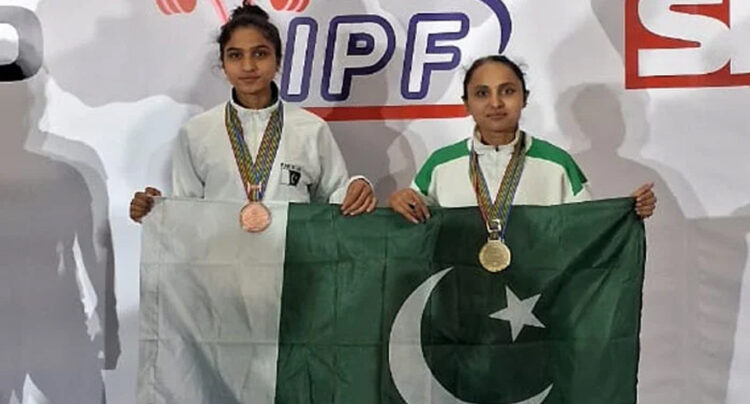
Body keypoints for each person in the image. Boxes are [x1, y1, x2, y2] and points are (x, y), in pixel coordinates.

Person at [130, 2, 376, 222]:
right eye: (235, 55)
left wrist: (357, 187)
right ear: (223, 65)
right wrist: (155, 210)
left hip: (293, 264)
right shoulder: (196, 133)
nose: (248, 66)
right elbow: (186, 214)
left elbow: (334, 202)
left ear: (277, 61)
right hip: (220, 265)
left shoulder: (311, 129)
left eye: (260, 53)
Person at [389, 55, 656, 224]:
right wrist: (400, 201)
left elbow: (586, 228)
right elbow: (413, 219)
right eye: (482, 93)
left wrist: (625, 213)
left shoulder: (556, 163)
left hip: (535, 304)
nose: (495, 103)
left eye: (507, 91)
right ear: (466, 104)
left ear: (524, 98)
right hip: (460, 298)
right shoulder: (440, 164)